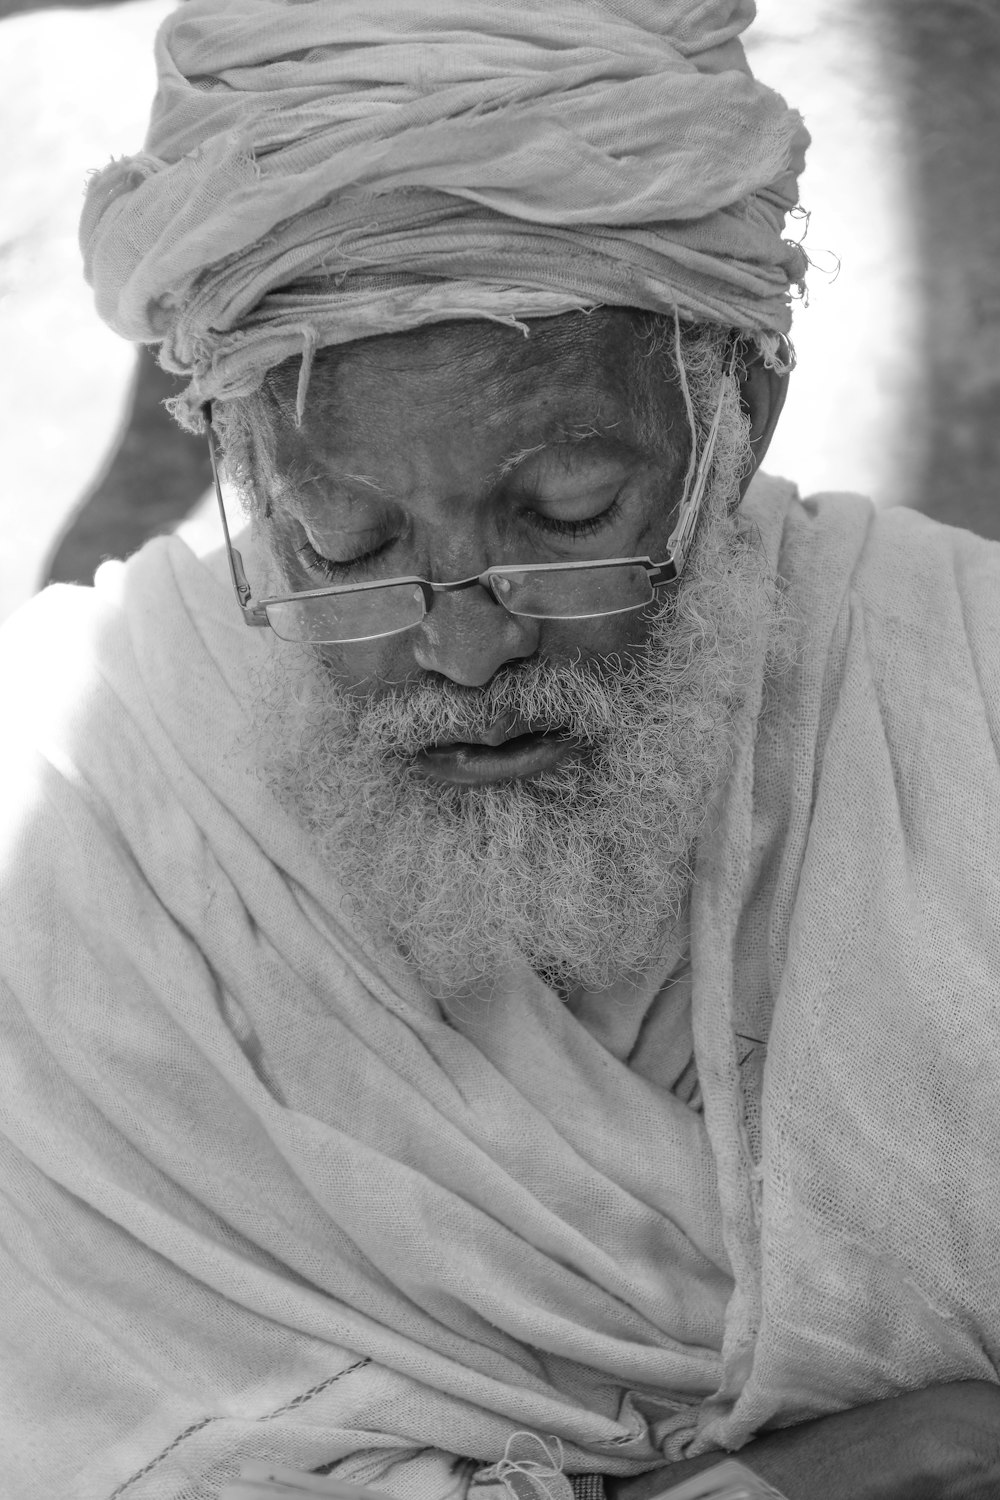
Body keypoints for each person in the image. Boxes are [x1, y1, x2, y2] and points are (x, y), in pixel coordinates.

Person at [3, 2, 1000, 1498]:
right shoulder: (76, 827)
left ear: (741, 415)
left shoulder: (964, 690)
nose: (464, 651)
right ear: (241, 468)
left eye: (570, 518)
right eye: (346, 544)